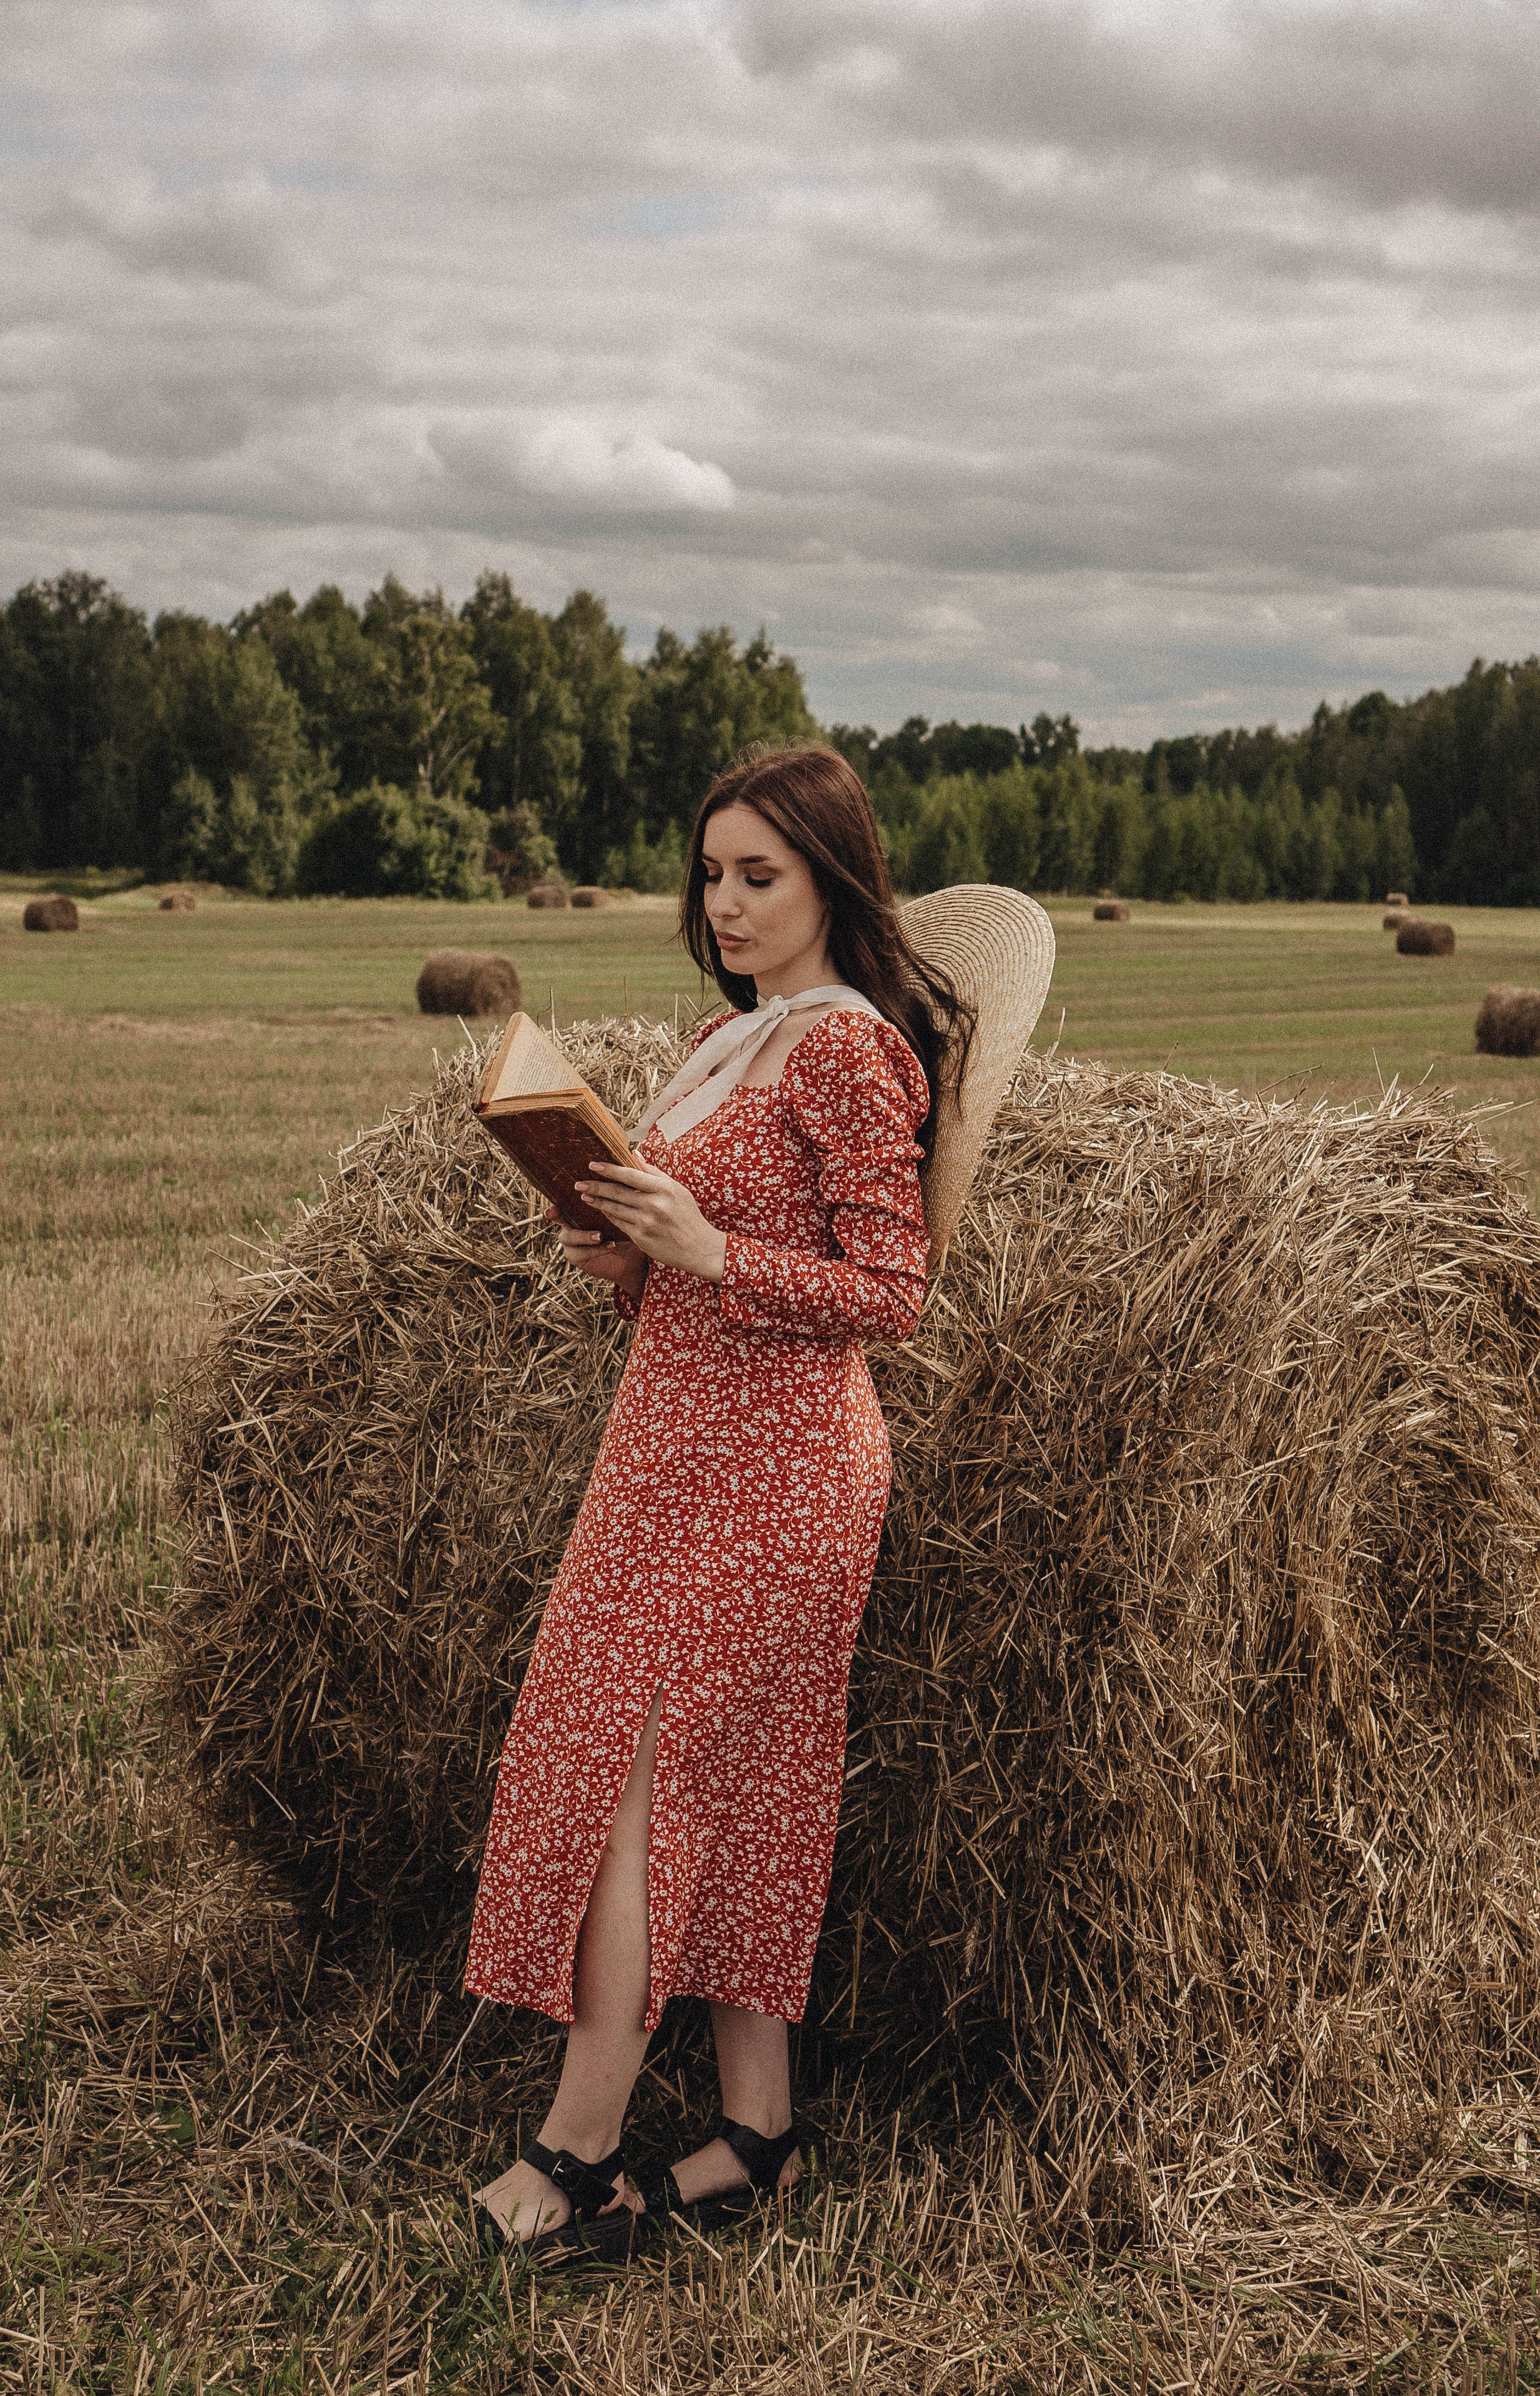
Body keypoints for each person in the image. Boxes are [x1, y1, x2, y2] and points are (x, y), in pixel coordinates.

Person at [462, 743, 973, 2260]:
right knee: (735, 1787)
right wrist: (624, 1253)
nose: (728, 902)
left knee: (638, 1782)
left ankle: (576, 2154)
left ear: (831, 880)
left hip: (782, 1466)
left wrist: (703, 1251)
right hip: (670, 1444)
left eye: (761, 875)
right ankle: (756, 2135)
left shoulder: (841, 1051)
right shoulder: (723, 1041)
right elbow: (698, 1267)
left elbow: (893, 1292)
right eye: (712, 873)